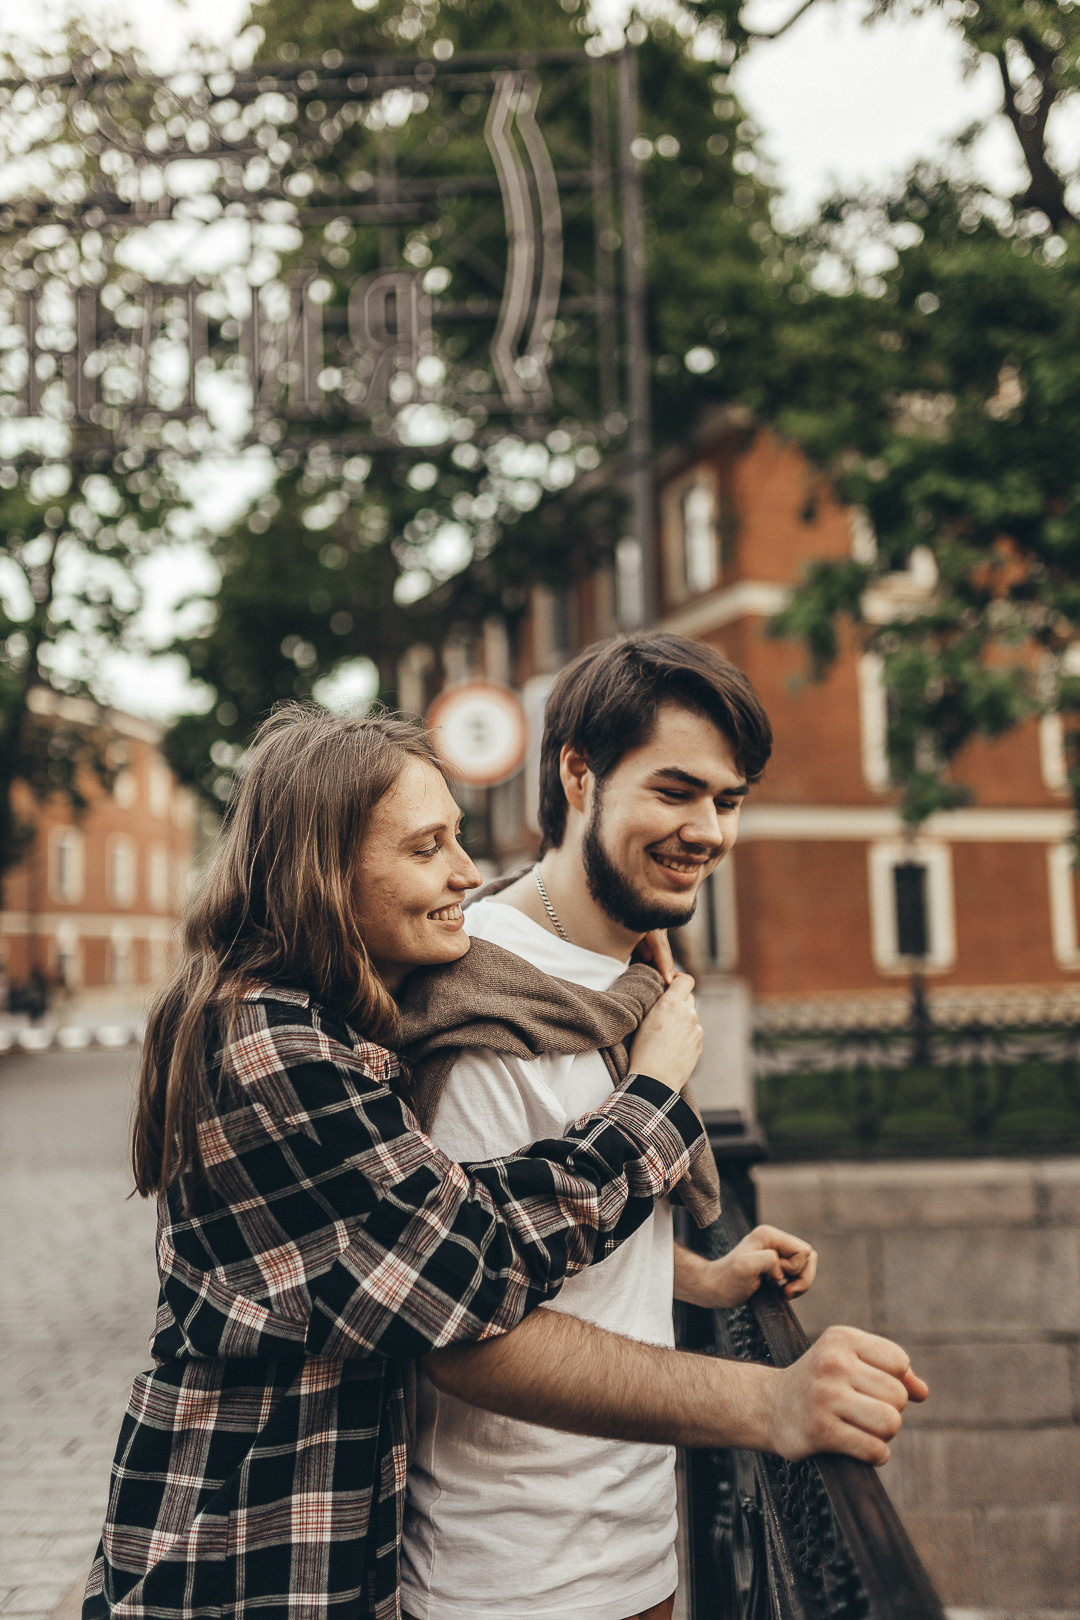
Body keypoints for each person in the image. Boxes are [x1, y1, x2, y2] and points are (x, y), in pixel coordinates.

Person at [82, 705, 711, 1620]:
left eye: (459, 837)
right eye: (427, 849)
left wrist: (608, 959)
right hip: (239, 1560)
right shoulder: (270, 1047)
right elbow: (465, 1261)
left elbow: (401, 1229)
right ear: (324, 878)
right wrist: (650, 1093)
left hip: (300, 1542)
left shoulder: (310, 1010)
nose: (465, 873)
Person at [398, 634, 929, 1620]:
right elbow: (466, 1334)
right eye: (677, 791)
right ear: (578, 774)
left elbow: (552, 1236)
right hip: (512, 1579)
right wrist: (767, 1400)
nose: (710, 830)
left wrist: (694, 1275)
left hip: (637, 1543)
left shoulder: (639, 973)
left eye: (728, 800)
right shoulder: (488, 1011)